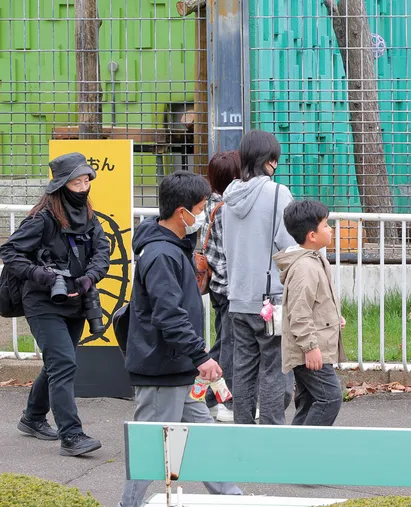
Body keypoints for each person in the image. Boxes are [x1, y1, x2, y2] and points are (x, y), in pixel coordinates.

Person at [119, 170, 243, 507]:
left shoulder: (168, 246)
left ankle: (234, 498)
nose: (202, 215)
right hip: (162, 369)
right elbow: (168, 314)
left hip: (174, 367)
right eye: (201, 208)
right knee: (149, 452)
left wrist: (194, 357)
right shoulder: (162, 254)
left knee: (201, 440)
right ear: (182, 212)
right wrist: (201, 356)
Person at [1, 152, 109, 456]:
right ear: (62, 185)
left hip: (77, 302)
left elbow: (102, 250)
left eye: (86, 179)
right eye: (77, 181)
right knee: (63, 364)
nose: (83, 186)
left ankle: (33, 418)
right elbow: (10, 252)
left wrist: (89, 277)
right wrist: (41, 275)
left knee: (57, 365)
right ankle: (72, 435)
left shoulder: (89, 216)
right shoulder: (42, 218)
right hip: (43, 303)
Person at [223, 130, 296, 425]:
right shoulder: (278, 193)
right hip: (271, 299)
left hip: (238, 297)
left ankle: (243, 428)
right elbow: (289, 246)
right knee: (274, 369)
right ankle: (270, 431)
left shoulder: (229, 198)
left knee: (243, 368)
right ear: (271, 161)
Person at [274, 200, 347, 427]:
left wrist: (334, 319)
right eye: (326, 225)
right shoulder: (305, 267)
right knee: (330, 397)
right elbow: (299, 312)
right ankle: (309, 447)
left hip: (315, 346)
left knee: (309, 400)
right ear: (312, 235)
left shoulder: (314, 260)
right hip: (312, 350)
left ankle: (296, 451)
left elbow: (317, 303)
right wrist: (310, 346)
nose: (331, 229)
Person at [199, 150, 241, 423]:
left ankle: (207, 398)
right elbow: (228, 254)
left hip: (216, 285)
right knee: (229, 347)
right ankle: (210, 397)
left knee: (224, 342)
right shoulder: (227, 210)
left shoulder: (208, 203)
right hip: (228, 287)